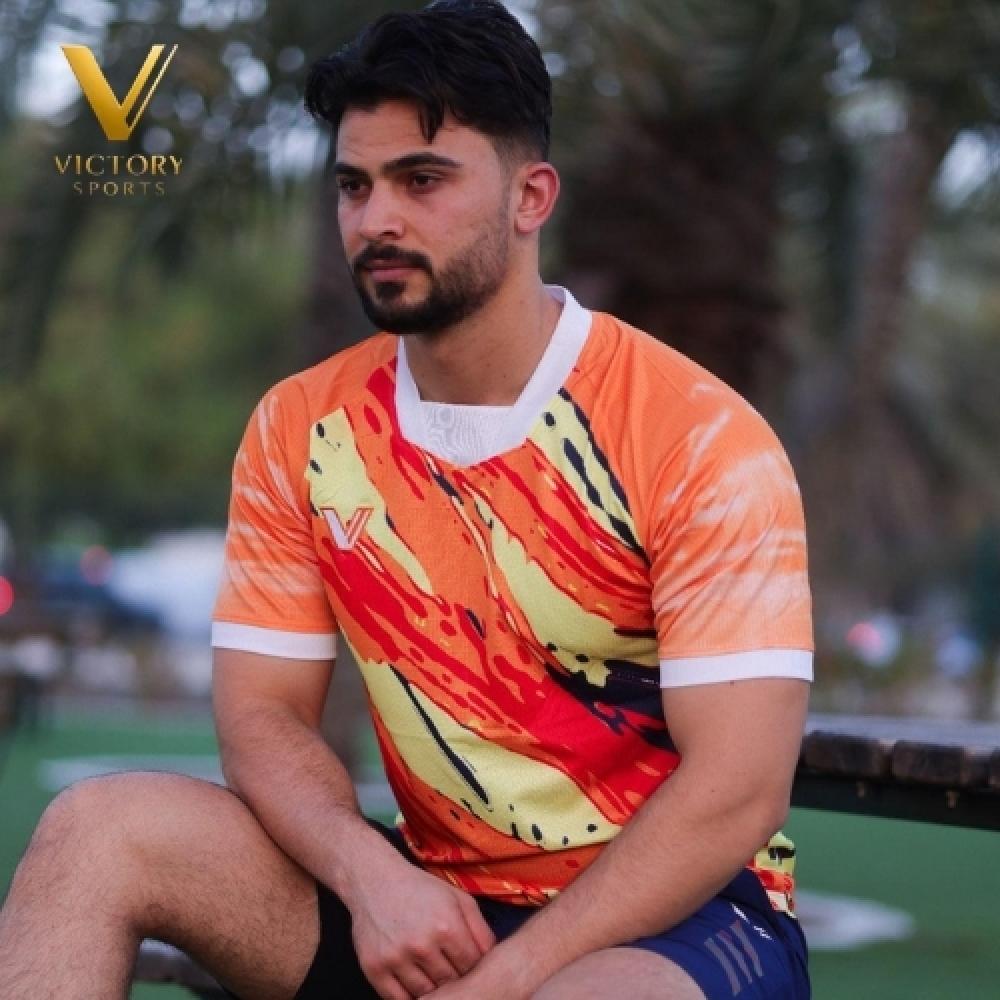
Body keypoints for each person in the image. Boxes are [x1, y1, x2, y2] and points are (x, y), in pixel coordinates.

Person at [0, 2, 814, 998]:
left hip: (681, 924)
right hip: (428, 901)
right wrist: (371, 877)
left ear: (530, 197)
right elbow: (261, 717)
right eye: (355, 185)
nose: (376, 219)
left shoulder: (697, 436)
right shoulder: (302, 426)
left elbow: (736, 792)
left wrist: (505, 980)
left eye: (422, 180)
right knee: (97, 831)